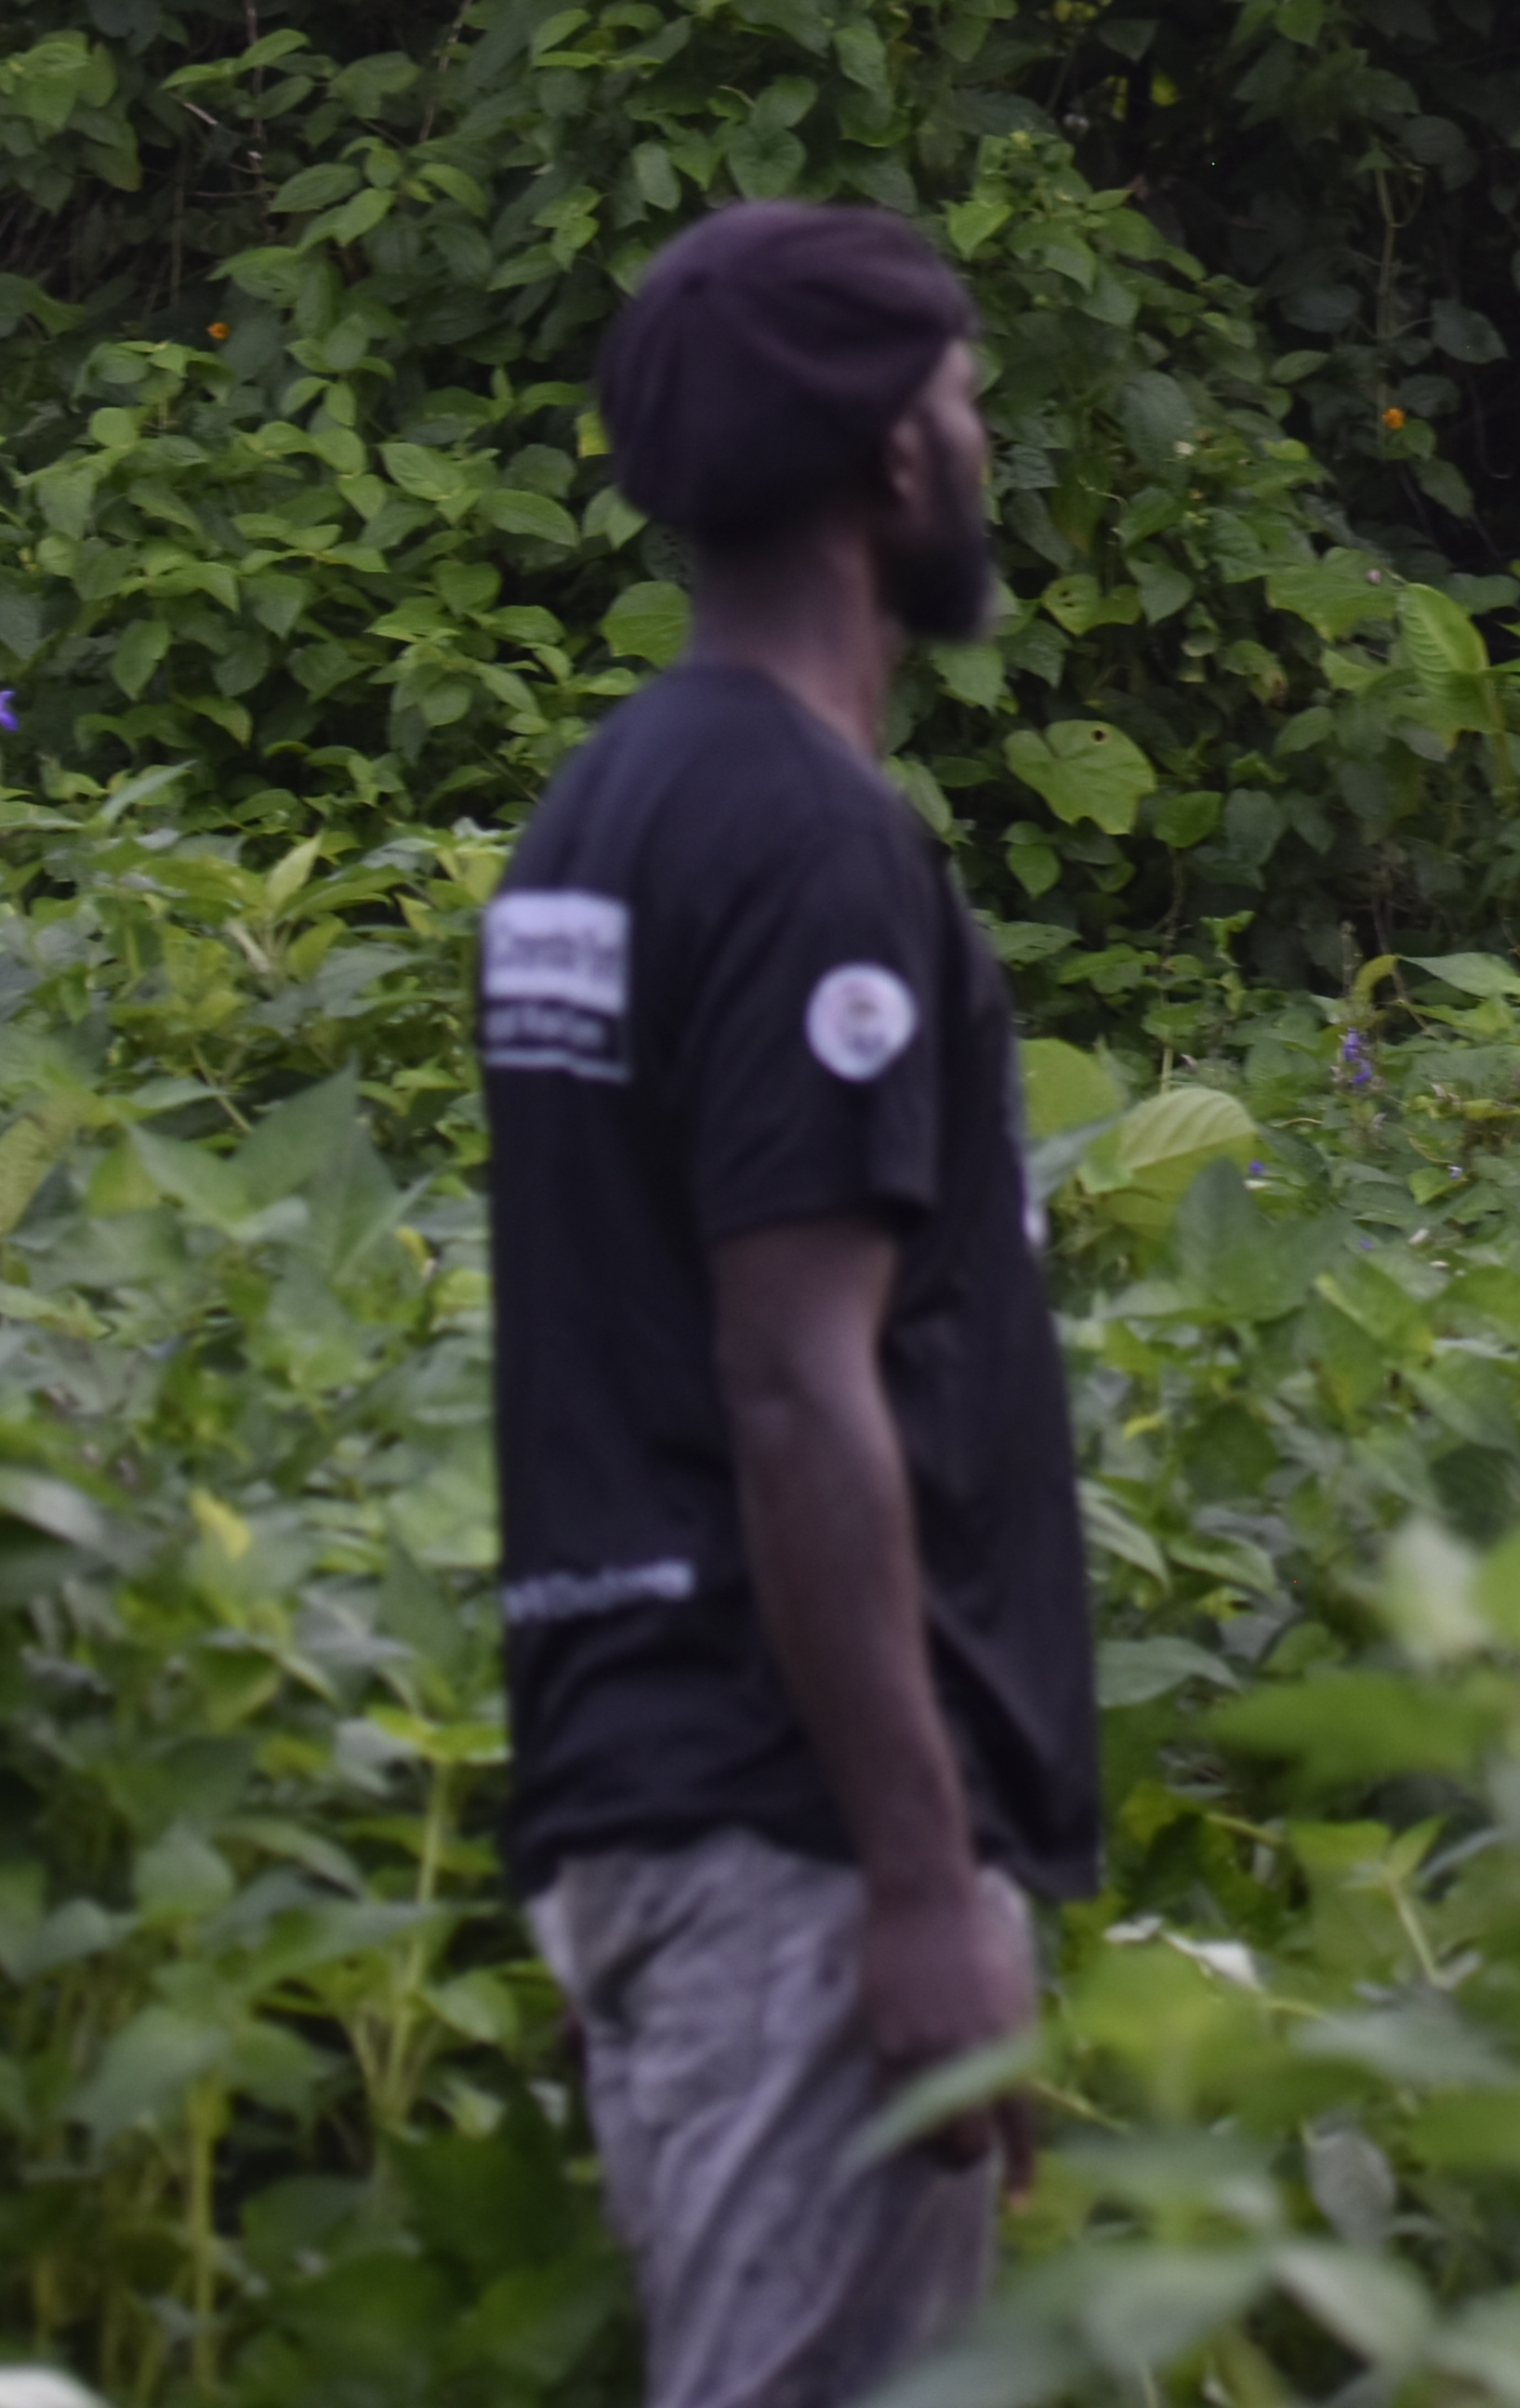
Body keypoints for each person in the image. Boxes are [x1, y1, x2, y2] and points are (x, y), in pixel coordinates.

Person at [474, 202, 1097, 2408]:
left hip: (655, 1764)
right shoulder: (806, 838)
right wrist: (924, 1883)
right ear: (891, 461)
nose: (983, 439)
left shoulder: (606, 807)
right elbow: (789, 1372)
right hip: (792, 1824)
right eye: (965, 397)